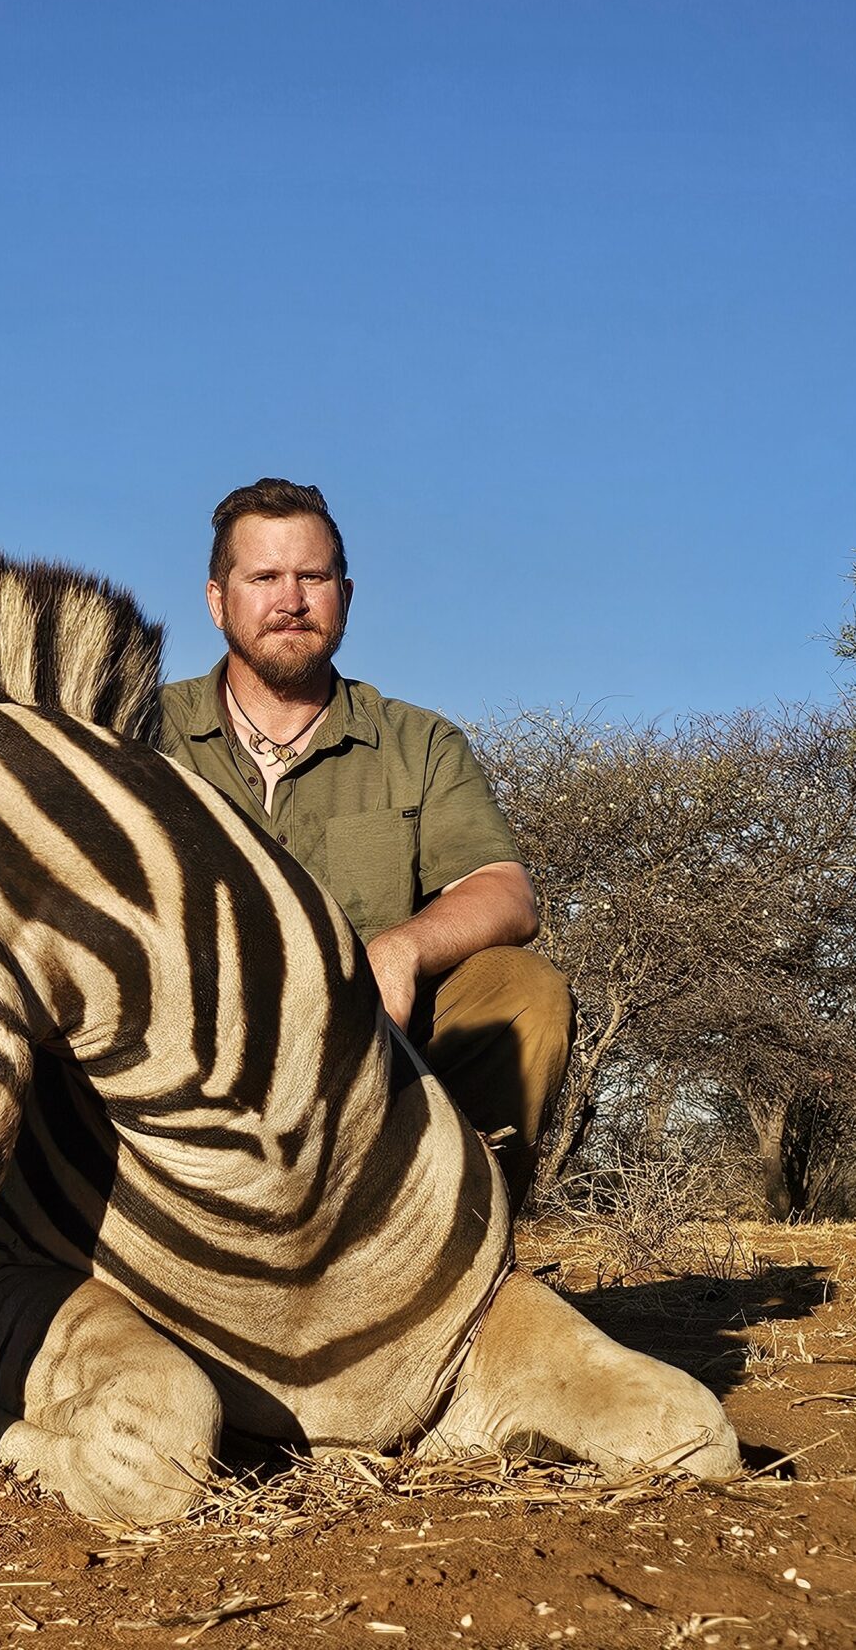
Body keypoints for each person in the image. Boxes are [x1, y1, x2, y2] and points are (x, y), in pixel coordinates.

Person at [157, 478, 570, 1211]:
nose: (291, 600)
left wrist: (400, 950)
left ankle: (464, 1232)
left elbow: (505, 890)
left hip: (372, 1046)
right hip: (181, 1044)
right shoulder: (135, 729)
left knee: (524, 991)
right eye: (264, 578)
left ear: (344, 595)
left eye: (312, 578)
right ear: (217, 600)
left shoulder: (420, 741)